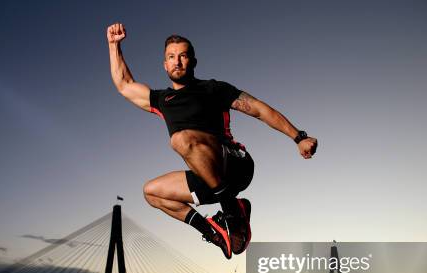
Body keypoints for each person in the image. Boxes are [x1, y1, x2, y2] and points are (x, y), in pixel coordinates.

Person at [107, 23, 317, 259]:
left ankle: (232, 212)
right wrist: (114, 45)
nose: (177, 62)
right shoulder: (162, 99)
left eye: (183, 56)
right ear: (165, 64)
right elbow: (124, 84)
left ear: (193, 62)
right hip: (207, 177)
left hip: (235, 164)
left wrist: (298, 136)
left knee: (181, 139)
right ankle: (214, 231)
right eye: (171, 57)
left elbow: (258, 109)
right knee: (152, 193)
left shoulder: (213, 89)